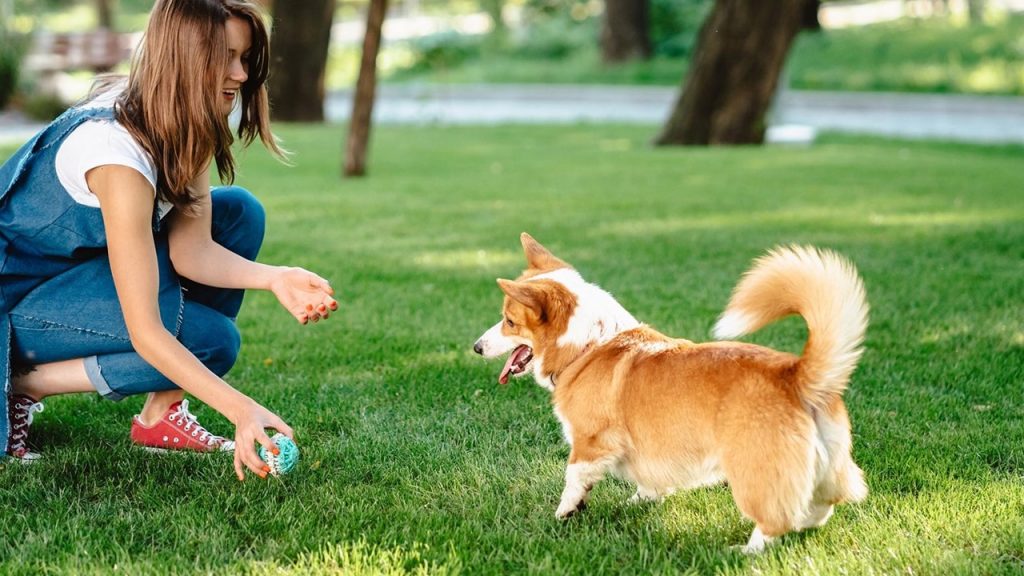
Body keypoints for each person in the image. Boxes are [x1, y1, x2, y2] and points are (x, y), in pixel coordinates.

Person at [0, 0, 336, 481]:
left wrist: (276, 278)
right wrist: (240, 410)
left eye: (245, 58)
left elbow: (192, 251)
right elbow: (147, 332)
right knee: (211, 343)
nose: (240, 74)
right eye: (226, 57)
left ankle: (162, 416)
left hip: (65, 276)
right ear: (183, 57)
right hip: (12, 297)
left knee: (239, 211)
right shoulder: (115, 158)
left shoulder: (184, 119)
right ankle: (24, 383)